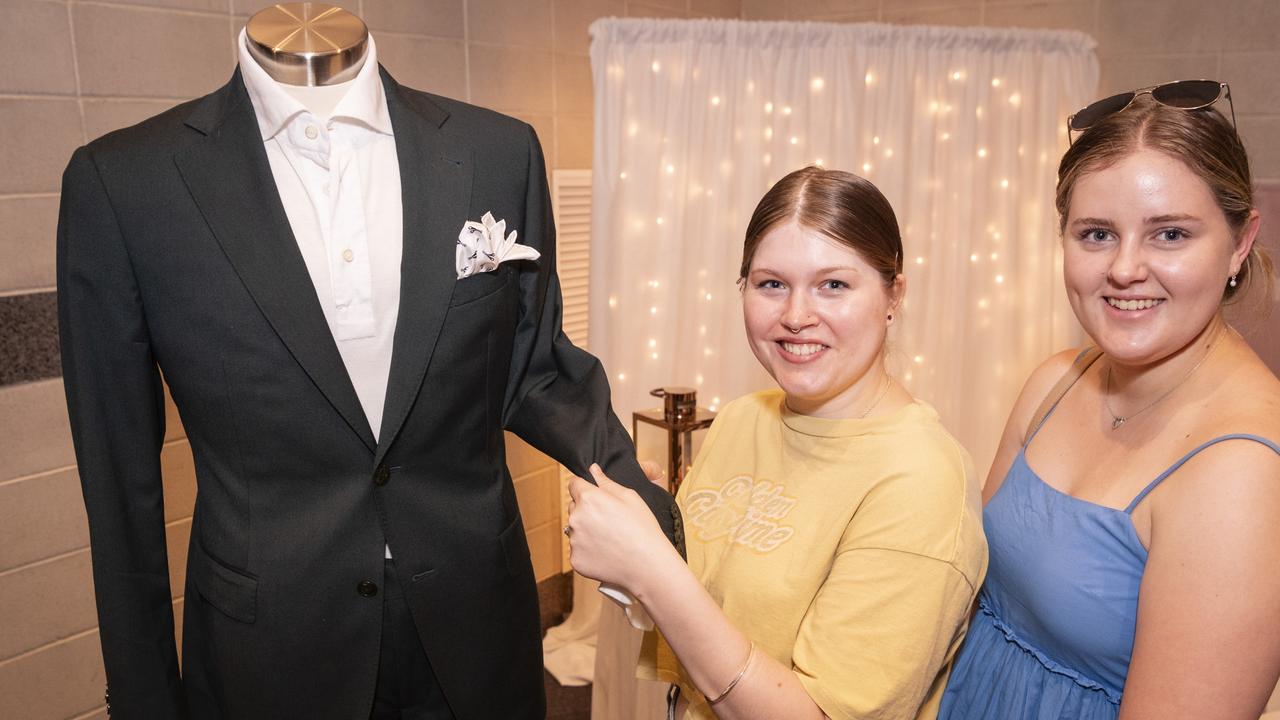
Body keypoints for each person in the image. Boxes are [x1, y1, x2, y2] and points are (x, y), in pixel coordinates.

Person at [55, 7, 681, 719]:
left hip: (477, 619)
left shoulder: (497, 150)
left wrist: (643, 502)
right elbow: (118, 474)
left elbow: (535, 369)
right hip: (270, 644)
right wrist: (143, 696)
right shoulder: (127, 182)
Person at [565, 166, 988, 719]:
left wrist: (650, 567)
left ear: (893, 294)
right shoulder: (744, 419)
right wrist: (646, 534)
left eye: (832, 284)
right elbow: (700, 611)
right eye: (771, 284)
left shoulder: (922, 483)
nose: (795, 317)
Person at [939, 81, 1280, 719]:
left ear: (1239, 242)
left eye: (1170, 235)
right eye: (1096, 234)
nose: (1125, 269)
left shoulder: (1245, 473)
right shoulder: (1055, 381)